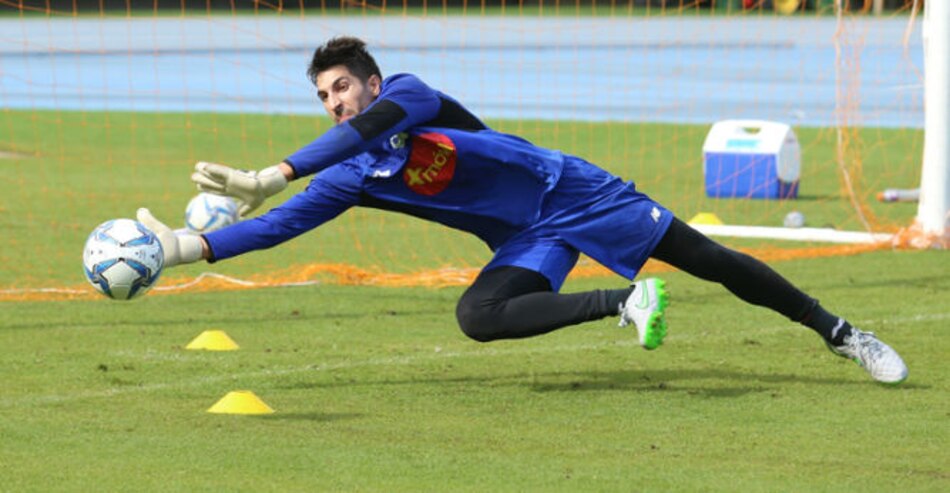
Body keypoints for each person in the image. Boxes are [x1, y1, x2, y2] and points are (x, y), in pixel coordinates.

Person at [138, 36, 908, 384]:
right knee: (479, 315)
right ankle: (625, 301)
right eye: (322, 97)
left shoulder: (408, 94)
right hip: (525, 234)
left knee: (713, 262)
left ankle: (843, 334)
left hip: (573, 192)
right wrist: (180, 251)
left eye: (340, 88)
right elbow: (278, 228)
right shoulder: (352, 178)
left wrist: (275, 169)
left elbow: (375, 127)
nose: (334, 102)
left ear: (369, 82)